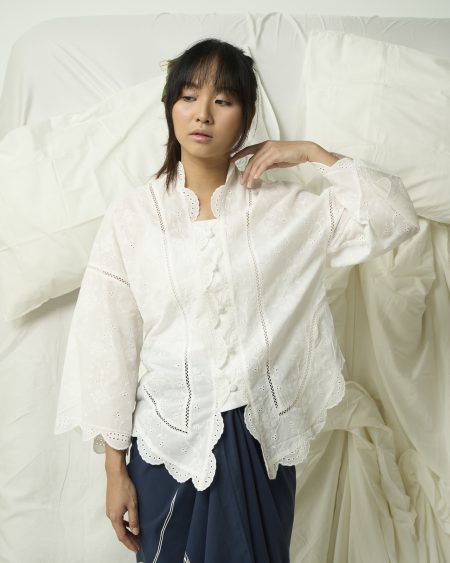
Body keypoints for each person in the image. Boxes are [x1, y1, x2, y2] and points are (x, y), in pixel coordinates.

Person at [54, 38, 420, 562]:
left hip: (258, 448)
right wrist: (115, 471)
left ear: (245, 118)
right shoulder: (132, 218)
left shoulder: (286, 211)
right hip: (165, 447)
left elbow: (393, 216)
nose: (202, 113)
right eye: (188, 97)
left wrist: (312, 154)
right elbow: (106, 345)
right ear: (170, 108)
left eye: (222, 100)